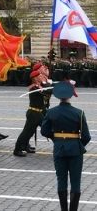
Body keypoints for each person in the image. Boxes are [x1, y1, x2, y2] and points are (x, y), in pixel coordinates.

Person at [41, 80, 90, 211]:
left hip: (59, 149)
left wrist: (56, 139)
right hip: (75, 150)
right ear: (70, 95)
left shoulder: (51, 112)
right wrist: (77, 144)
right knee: (75, 182)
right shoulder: (79, 113)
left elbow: (44, 131)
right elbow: (86, 136)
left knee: (61, 180)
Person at [15, 63, 52, 157]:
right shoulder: (34, 87)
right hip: (34, 113)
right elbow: (47, 91)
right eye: (39, 75)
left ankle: (24, 146)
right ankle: (17, 149)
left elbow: (47, 89)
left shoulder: (39, 86)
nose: (41, 76)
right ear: (35, 78)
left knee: (29, 132)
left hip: (38, 112)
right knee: (29, 132)